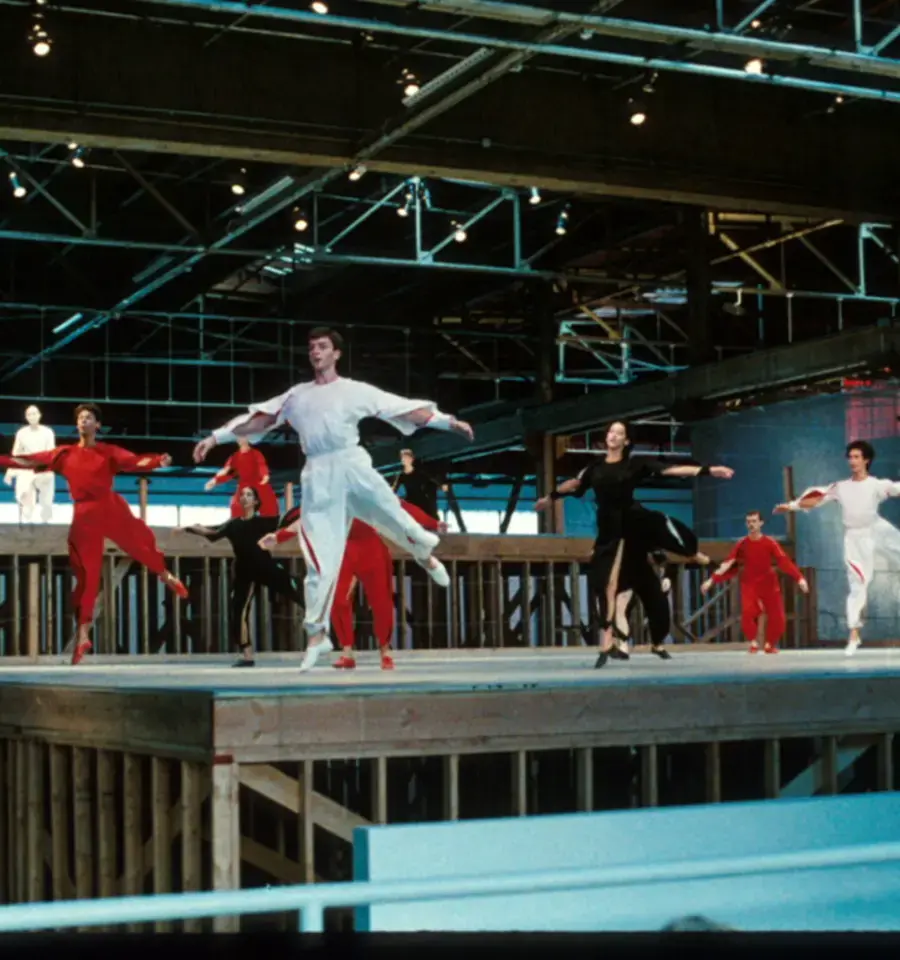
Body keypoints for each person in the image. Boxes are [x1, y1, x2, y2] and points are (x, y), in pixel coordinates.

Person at [192, 326, 474, 671]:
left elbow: (400, 409)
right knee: (319, 555)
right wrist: (216, 437)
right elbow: (258, 420)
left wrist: (447, 422)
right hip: (318, 473)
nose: (316, 352)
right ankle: (317, 634)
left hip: (351, 462)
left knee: (393, 514)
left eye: (323, 347)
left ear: (336, 353)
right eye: (312, 347)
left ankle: (426, 556)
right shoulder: (297, 396)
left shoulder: (353, 390)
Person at [0, 403, 187, 665]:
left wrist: (158, 460)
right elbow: (27, 460)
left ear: (97, 425)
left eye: (88, 418)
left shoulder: (107, 452)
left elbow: (134, 462)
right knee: (87, 575)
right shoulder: (64, 454)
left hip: (108, 506)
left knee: (139, 544)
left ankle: (165, 574)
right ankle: (83, 635)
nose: (83, 421)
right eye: (80, 418)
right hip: (84, 515)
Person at [536, 420, 734, 668]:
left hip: (631, 522)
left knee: (647, 550)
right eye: (610, 432)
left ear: (626, 441)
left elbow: (668, 469)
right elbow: (575, 483)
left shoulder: (634, 464)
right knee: (605, 586)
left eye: (619, 433)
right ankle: (610, 640)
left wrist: (708, 470)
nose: (613, 436)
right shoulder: (595, 468)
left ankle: (692, 553)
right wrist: (550, 497)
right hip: (607, 530)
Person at [263, 498, 442, 669]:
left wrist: (433, 524)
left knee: (381, 601)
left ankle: (385, 652)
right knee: (337, 599)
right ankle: (347, 653)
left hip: (372, 550)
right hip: (343, 551)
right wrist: (278, 537)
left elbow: (402, 508)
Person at [774, 439, 900, 656]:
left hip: (878, 529)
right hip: (855, 537)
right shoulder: (840, 487)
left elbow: (896, 488)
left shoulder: (876, 485)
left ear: (866, 460)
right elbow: (816, 499)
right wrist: (791, 506)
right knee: (857, 582)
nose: (852, 461)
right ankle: (854, 634)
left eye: (857, 457)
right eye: (850, 457)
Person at [176, 486, 300, 667]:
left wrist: (305, 508)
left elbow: (287, 521)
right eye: (242, 494)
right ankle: (247, 655)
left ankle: (323, 634)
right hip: (244, 570)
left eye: (249, 494)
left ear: (256, 502)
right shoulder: (233, 524)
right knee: (238, 611)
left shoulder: (264, 522)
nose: (245, 497)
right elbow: (213, 534)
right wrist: (189, 527)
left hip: (265, 567)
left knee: (298, 595)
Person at [701, 509, 809, 654]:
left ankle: (769, 644)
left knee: (778, 616)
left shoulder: (769, 543)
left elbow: (784, 561)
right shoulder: (742, 543)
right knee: (748, 612)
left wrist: (799, 578)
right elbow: (727, 563)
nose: (751, 524)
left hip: (768, 581)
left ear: (761, 523)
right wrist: (711, 580)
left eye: (754, 521)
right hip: (750, 581)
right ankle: (753, 642)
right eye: (749, 522)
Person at [204, 436, 280, 518]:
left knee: (269, 504)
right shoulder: (235, 456)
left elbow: (261, 465)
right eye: (239, 438)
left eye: (243, 437)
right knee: (236, 506)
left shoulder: (256, 454)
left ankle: (270, 522)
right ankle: (237, 524)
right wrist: (215, 481)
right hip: (244, 484)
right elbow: (229, 472)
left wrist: (264, 475)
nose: (241, 440)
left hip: (259, 483)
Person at [5, 404, 56, 523]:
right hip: (27, 467)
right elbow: (16, 453)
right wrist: (10, 471)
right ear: (26, 417)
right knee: (24, 496)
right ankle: (27, 521)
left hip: (43, 467)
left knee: (47, 502)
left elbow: (51, 452)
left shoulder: (48, 432)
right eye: (29, 414)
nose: (32, 416)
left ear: (39, 415)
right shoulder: (21, 433)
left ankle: (46, 517)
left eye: (34, 414)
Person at [393, 448, 447, 521]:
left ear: (412, 459)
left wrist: (441, 485)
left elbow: (431, 477)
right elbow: (395, 488)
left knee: (430, 515)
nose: (405, 460)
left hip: (421, 499)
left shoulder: (419, 472)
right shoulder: (401, 475)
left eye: (407, 458)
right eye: (403, 458)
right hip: (410, 499)